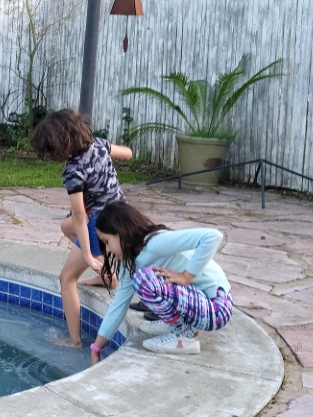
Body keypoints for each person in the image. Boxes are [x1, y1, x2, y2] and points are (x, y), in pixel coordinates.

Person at [30, 109, 132, 345]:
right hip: (121, 212)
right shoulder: (99, 144)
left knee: (67, 279)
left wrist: (87, 253)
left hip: (100, 223)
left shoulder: (73, 171)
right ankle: (107, 275)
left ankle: (74, 340)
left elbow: (80, 215)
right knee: (65, 226)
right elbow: (127, 153)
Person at [87, 202, 233, 360]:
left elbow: (212, 237)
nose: (107, 250)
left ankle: (184, 337)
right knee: (143, 280)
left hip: (217, 308)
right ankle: (174, 324)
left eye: (107, 242)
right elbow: (118, 305)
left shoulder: (154, 243)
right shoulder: (131, 262)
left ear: (120, 231)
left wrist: (185, 276)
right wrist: (96, 348)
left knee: (144, 281)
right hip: (200, 303)